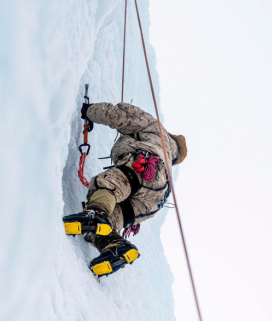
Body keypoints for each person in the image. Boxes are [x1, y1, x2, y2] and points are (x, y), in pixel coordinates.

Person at [63, 100, 187, 277]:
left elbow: (120, 116)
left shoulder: (156, 129)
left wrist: (88, 111)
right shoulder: (167, 159)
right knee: (108, 221)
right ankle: (114, 247)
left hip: (144, 164)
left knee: (107, 185)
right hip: (155, 200)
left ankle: (96, 214)